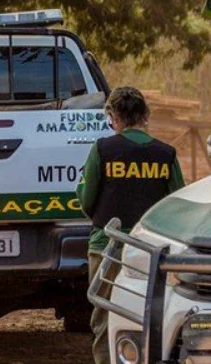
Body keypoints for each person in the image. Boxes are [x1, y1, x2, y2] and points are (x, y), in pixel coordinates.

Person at [76, 86, 186, 364]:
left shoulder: (102, 149)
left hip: (107, 246)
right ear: (146, 115)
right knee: (153, 314)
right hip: (151, 251)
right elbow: (175, 204)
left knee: (104, 315)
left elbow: (87, 198)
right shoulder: (166, 155)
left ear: (112, 116)